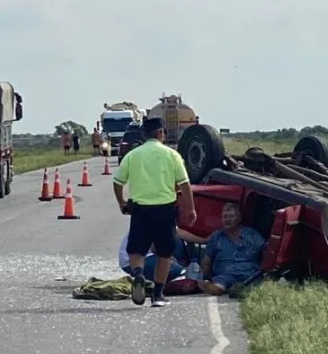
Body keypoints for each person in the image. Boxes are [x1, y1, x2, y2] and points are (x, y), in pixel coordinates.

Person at [112, 117, 197, 307]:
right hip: (165, 210)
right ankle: (157, 295)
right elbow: (184, 184)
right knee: (165, 254)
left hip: (140, 210)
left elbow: (117, 182)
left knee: (136, 249)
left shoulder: (133, 155)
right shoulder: (172, 155)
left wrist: (121, 203)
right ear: (160, 133)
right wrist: (190, 209)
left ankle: (138, 274)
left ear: (144, 135)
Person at [197, 203, 266, 296]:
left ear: (239, 218)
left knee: (255, 283)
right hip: (226, 274)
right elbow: (206, 262)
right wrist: (200, 278)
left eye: (231, 216)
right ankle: (218, 288)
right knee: (218, 285)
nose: (227, 219)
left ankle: (242, 288)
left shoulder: (252, 235)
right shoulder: (216, 236)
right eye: (225, 217)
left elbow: (267, 253)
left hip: (249, 273)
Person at [118, 227, 209, 283]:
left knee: (176, 240)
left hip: (149, 254)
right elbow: (154, 247)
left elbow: (178, 232)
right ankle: (143, 277)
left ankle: (185, 267)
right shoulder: (152, 215)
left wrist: (203, 240)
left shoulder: (163, 212)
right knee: (174, 270)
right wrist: (167, 259)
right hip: (133, 262)